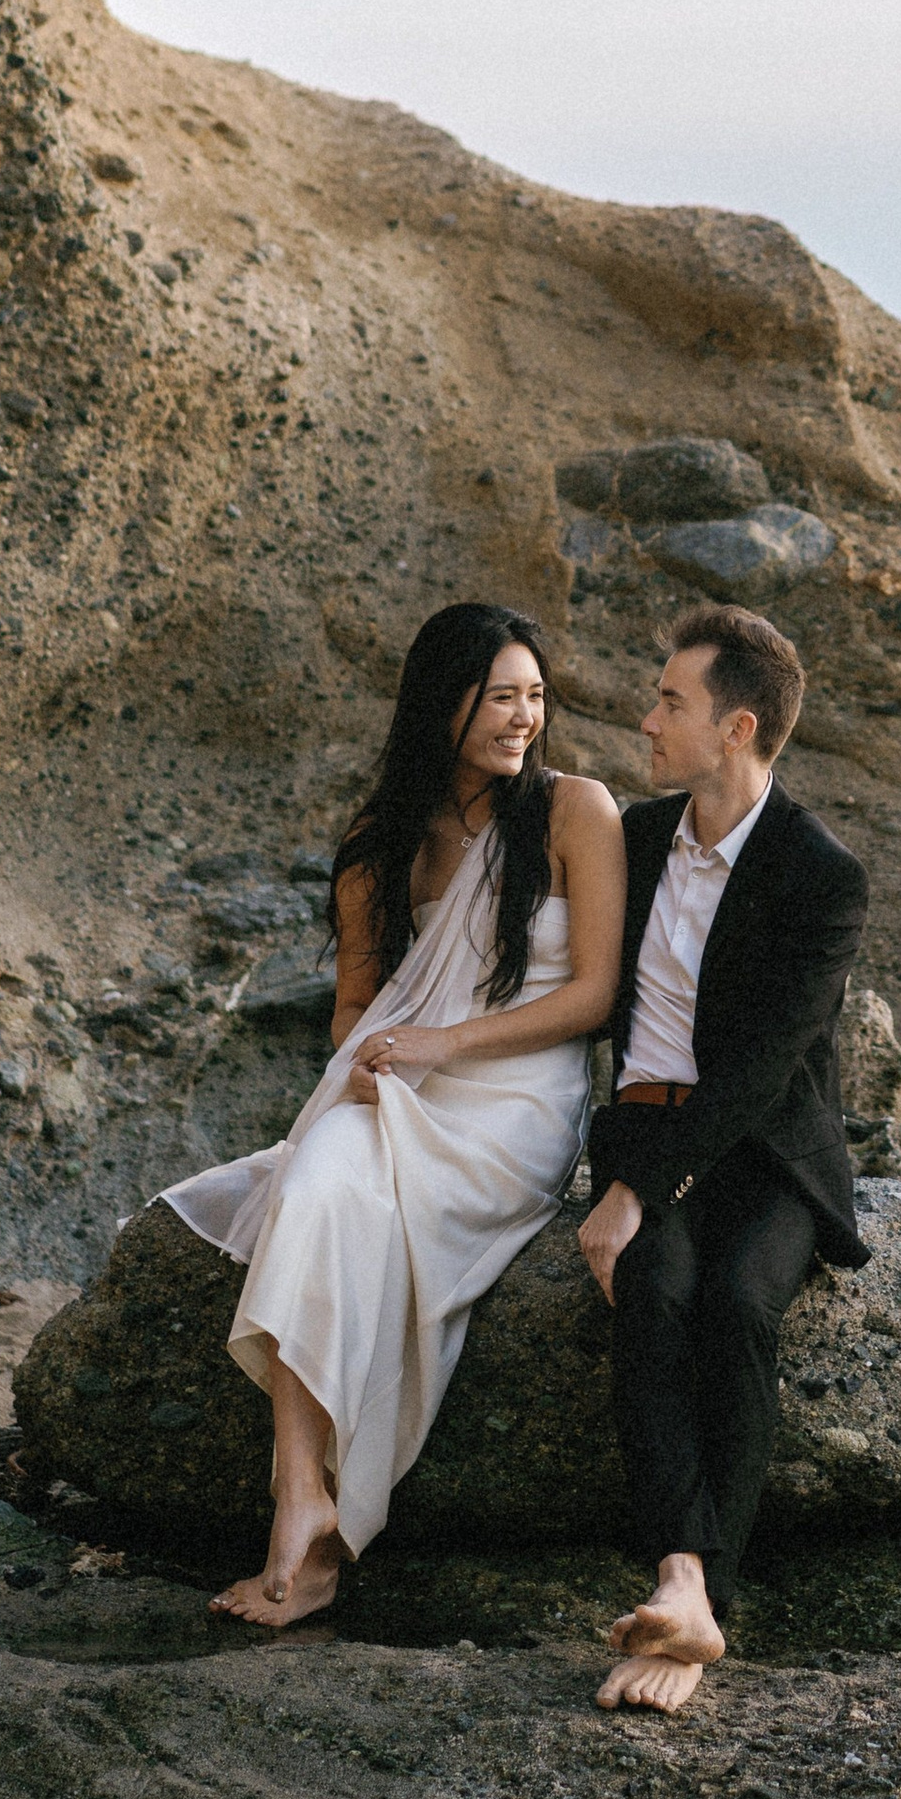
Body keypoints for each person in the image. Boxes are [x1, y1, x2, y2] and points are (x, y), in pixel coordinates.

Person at [161, 603, 626, 1632]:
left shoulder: (574, 811)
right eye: (501, 695)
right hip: (401, 1086)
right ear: (441, 702)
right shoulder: (380, 843)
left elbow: (595, 996)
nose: (523, 717)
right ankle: (304, 1500)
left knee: (331, 1186)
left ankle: (319, 1521)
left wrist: (443, 1045)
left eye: (535, 696)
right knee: (316, 1178)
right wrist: (369, 1065)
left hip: (517, 1102)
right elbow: (356, 1007)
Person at [577, 601, 869, 1715]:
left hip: (766, 1147)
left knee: (740, 1301)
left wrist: (628, 1197)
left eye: (670, 701)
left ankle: (707, 1599)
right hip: (649, 1122)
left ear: (736, 727)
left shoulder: (819, 873)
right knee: (652, 1286)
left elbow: (756, 1073)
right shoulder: (634, 839)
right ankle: (682, 1583)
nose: (646, 717)